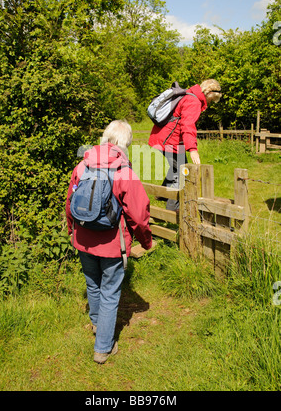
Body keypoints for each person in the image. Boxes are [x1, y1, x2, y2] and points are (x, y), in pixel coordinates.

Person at [66, 120, 152, 364]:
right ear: (125, 143)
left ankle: (96, 324)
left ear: (105, 138)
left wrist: (73, 230)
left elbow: (70, 203)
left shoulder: (82, 165)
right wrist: (146, 242)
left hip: (83, 240)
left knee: (93, 285)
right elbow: (139, 214)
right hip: (113, 244)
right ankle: (103, 347)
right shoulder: (124, 172)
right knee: (110, 293)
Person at [148, 79, 222, 211]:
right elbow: (187, 126)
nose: (211, 102)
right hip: (170, 141)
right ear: (209, 93)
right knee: (182, 173)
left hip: (164, 138)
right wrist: (192, 149)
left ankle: (162, 194)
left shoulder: (188, 94)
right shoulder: (193, 102)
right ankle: (172, 208)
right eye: (213, 99)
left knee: (176, 168)